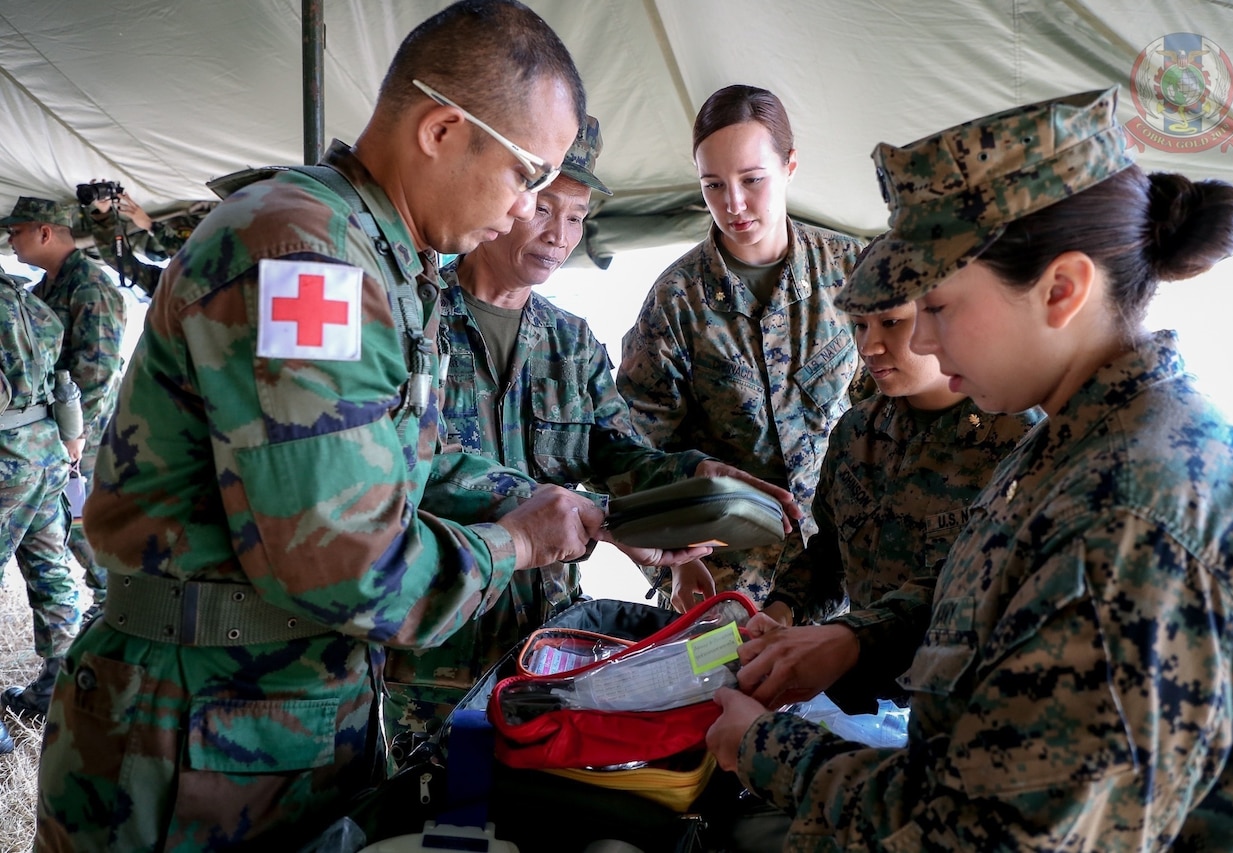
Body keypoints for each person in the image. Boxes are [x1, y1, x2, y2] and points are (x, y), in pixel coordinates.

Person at [35, 2, 704, 849]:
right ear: (442, 129)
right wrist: (517, 544)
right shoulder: (305, 253)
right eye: (529, 174)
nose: (534, 210)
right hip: (192, 732)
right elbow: (340, 561)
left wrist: (558, 506)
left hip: (270, 716)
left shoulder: (382, 256)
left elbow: (402, 460)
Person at [706, 87, 1233, 850]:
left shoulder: (1129, 518)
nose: (926, 343)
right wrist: (858, 641)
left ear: (1061, 290)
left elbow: (987, 836)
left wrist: (771, 749)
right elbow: (984, 624)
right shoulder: (1071, 447)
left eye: (936, 309)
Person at [385, 117, 799, 733]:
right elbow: (417, 470)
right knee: (430, 815)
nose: (559, 236)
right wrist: (581, 516)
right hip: (433, 644)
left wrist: (692, 478)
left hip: (545, 646)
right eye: (545, 208)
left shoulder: (569, 341)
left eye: (576, 217)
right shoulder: (415, 321)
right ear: (510, 197)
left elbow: (620, 454)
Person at [614, 84, 864, 609]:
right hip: (724, 587)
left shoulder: (851, 271)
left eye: (752, 180)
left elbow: (891, 413)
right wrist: (682, 562)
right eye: (713, 185)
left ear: (790, 165)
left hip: (846, 574)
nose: (734, 204)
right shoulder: (676, 299)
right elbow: (634, 450)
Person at [761, 297, 1041, 640]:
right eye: (861, 325)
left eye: (891, 323)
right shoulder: (857, 430)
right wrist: (783, 610)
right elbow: (832, 551)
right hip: (867, 669)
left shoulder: (1021, 442)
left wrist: (850, 644)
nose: (868, 346)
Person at [0, 196, 126, 669]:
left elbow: (98, 372)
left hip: (77, 441)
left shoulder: (91, 287)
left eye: (17, 231)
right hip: (47, 438)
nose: (11, 240)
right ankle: (64, 678)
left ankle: (114, 628)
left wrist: (72, 440)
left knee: (84, 538)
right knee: (53, 554)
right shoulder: (40, 289)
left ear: (46, 232)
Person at [0, 270, 83, 754]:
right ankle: (63, 691)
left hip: (6, 455)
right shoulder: (34, 306)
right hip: (45, 451)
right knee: (51, 568)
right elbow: (61, 379)